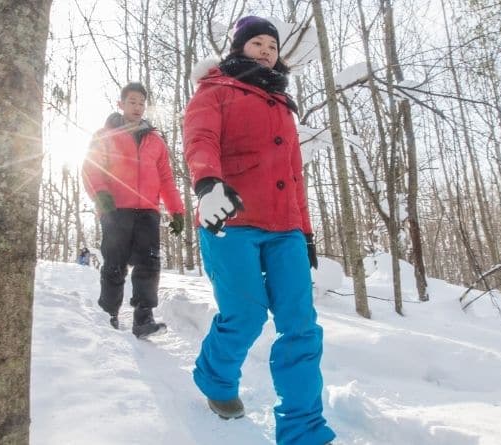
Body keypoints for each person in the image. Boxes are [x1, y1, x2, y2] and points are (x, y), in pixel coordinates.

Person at [182, 16, 335, 445]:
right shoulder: (215, 90)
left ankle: (304, 430)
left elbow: (294, 174)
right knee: (246, 315)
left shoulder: (282, 104)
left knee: (301, 325)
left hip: (285, 228)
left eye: (272, 44)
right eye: (257, 43)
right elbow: (200, 140)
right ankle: (215, 378)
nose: (267, 49)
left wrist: (305, 232)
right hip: (229, 218)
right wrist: (207, 183)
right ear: (239, 48)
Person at [82, 82, 185, 338]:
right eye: (132, 102)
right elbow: (91, 168)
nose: (137, 107)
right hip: (116, 210)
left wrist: (177, 211)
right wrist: (101, 196)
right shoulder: (105, 135)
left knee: (149, 264)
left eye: (141, 103)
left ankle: (143, 317)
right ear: (121, 104)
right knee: (115, 264)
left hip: (148, 212)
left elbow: (166, 179)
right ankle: (109, 314)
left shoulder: (156, 141)